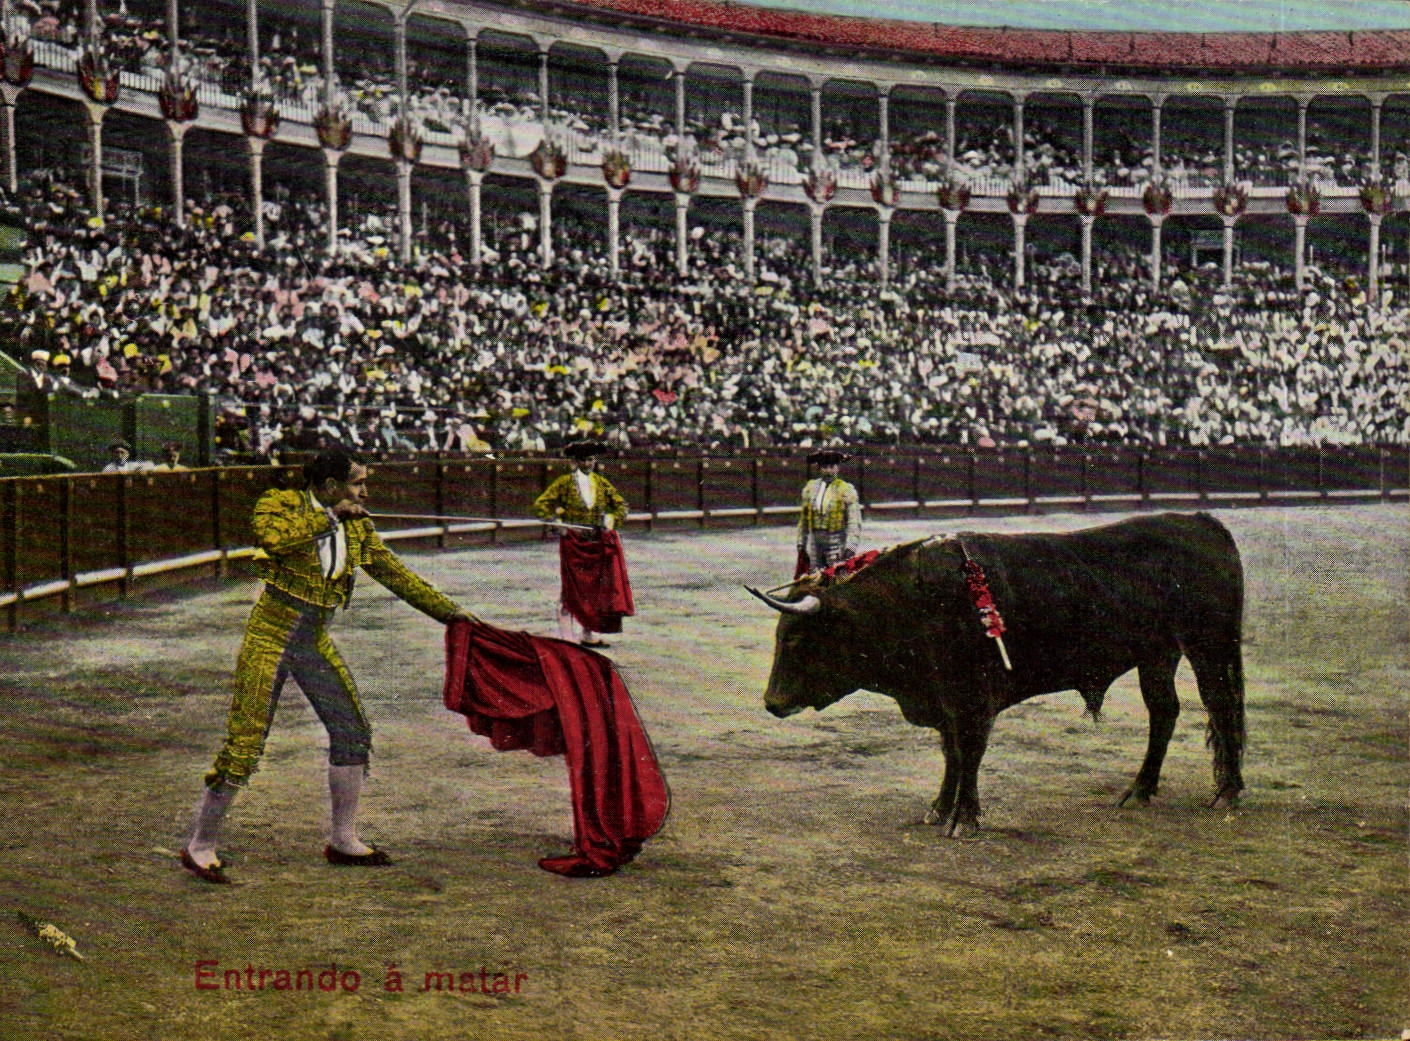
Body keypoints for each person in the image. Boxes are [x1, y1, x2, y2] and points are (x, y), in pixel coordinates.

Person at [181, 447, 476, 884]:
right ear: (332, 486)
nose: (365, 491)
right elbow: (275, 539)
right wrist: (331, 515)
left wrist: (450, 613)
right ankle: (200, 845)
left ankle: (343, 838)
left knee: (352, 731)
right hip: (271, 635)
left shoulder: (358, 524)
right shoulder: (279, 502)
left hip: (312, 638)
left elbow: (394, 573)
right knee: (245, 742)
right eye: (357, 483)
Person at [531, 439, 632, 648]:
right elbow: (541, 504)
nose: (589, 463)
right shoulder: (565, 483)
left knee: (593, 591)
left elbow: (621, 505)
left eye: (592, 459)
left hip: (594, 542)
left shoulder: (601, 483)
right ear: (576, 462)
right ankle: (567, 638)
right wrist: (555, 522)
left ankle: (588, 634)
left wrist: (611, 520)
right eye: (585, 460)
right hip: (573, 541)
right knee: (570, 590)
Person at [795, 448, 862, 578]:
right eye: (825, 467)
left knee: (837, 577)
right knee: (814, 577)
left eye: (832, 466)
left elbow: (854, 520)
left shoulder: (846, 489)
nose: (829, 471)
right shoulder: (810, 488)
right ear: (819, 468)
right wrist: (801, 543)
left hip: (837, 541)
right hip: (815, 542)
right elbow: (804, 519)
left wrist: (851, 546)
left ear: (838, 468)